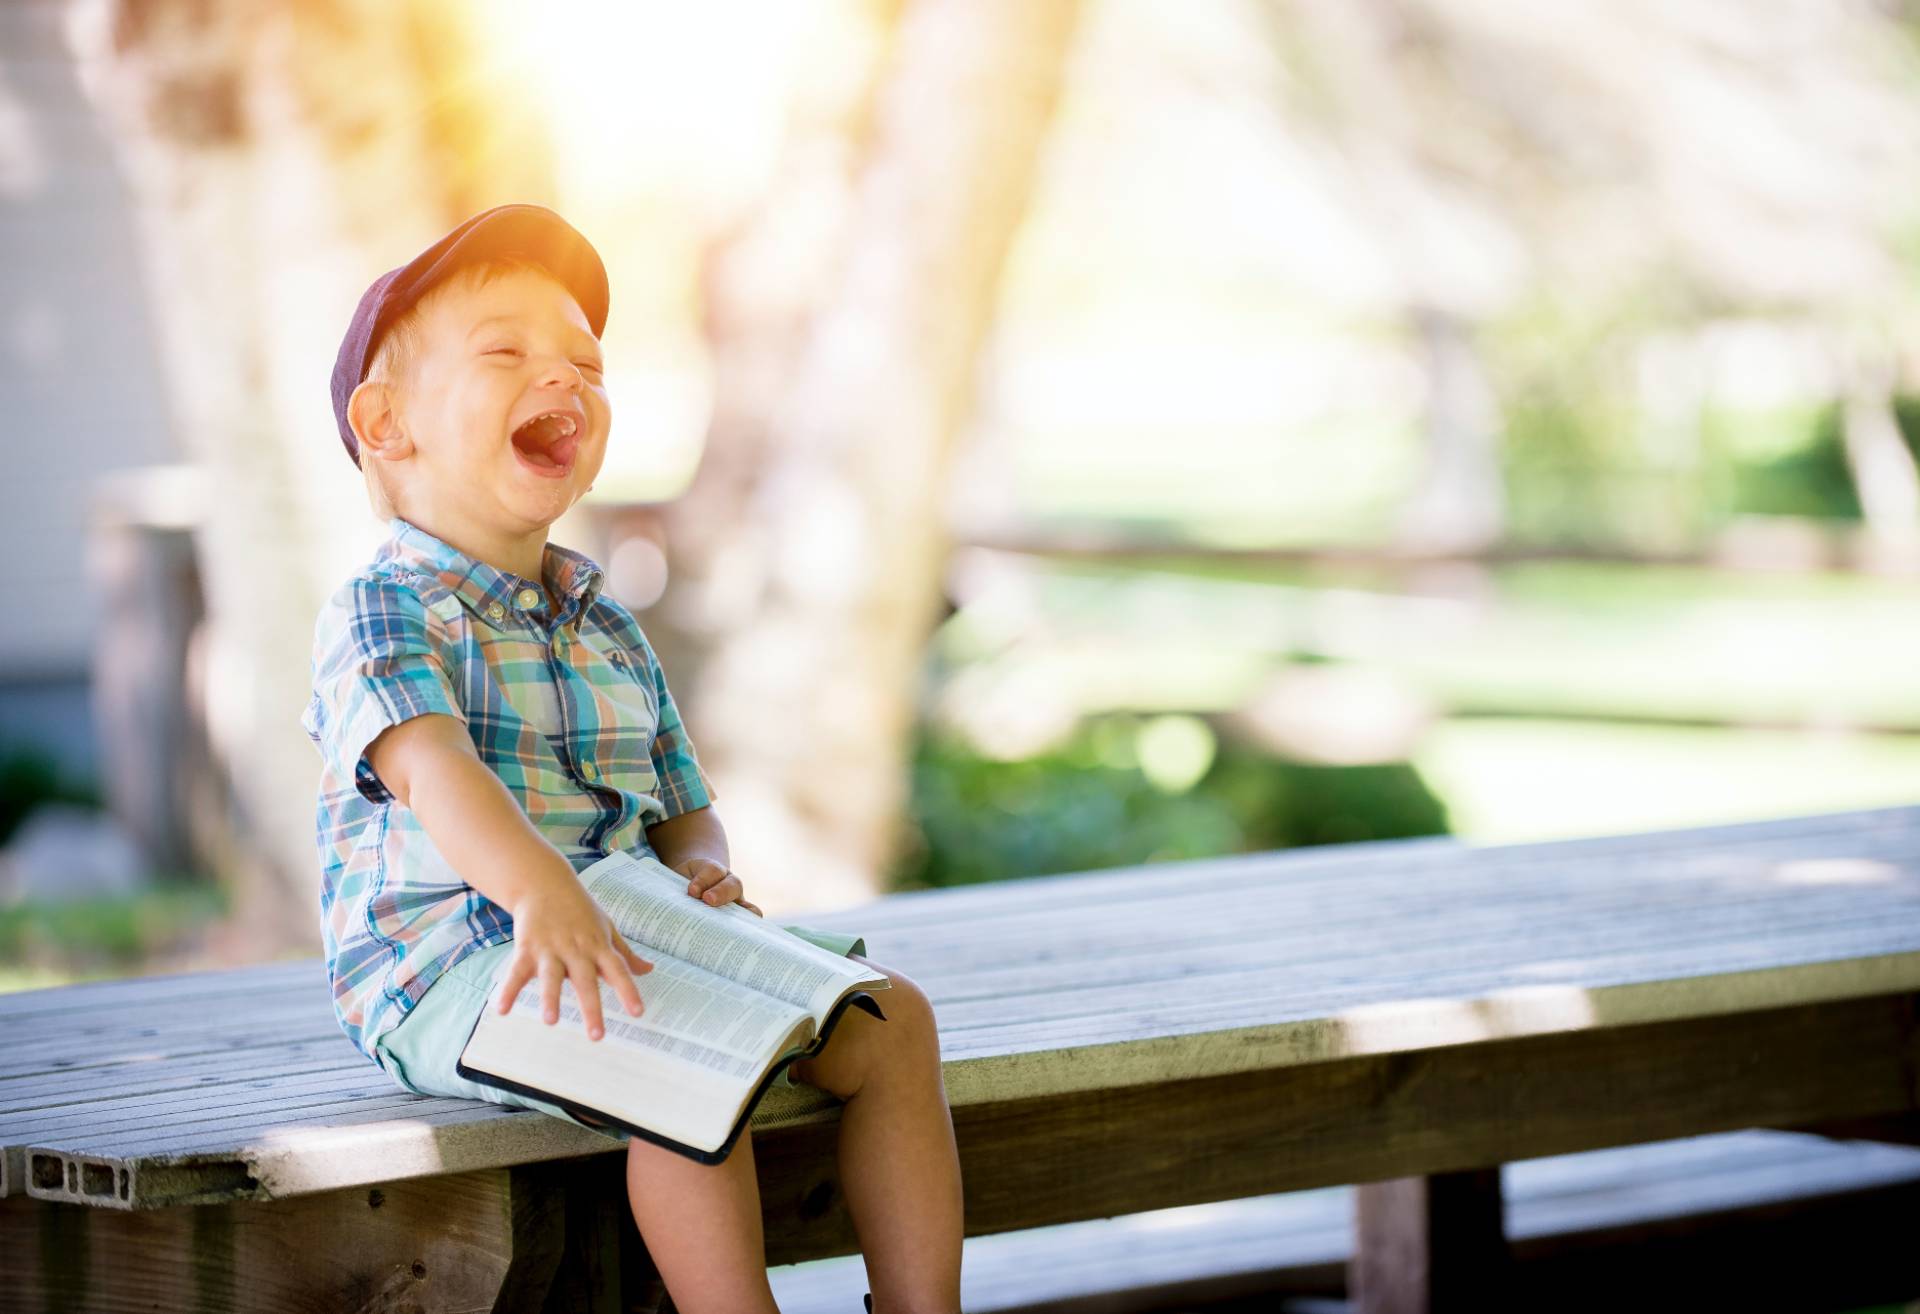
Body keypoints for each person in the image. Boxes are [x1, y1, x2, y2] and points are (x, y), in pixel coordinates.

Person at [303, 204, 963, 1314]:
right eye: (506, 351)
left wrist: (702, 863)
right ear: (387, 423)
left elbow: (678, 799)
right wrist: (540, 889)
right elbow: (433, 769)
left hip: (624, 921)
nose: (561, 378)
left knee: (893, 1021)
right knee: (682, 1067)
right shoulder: (384, 607)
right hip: (453, 961)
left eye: (585, 363)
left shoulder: (601, 616)